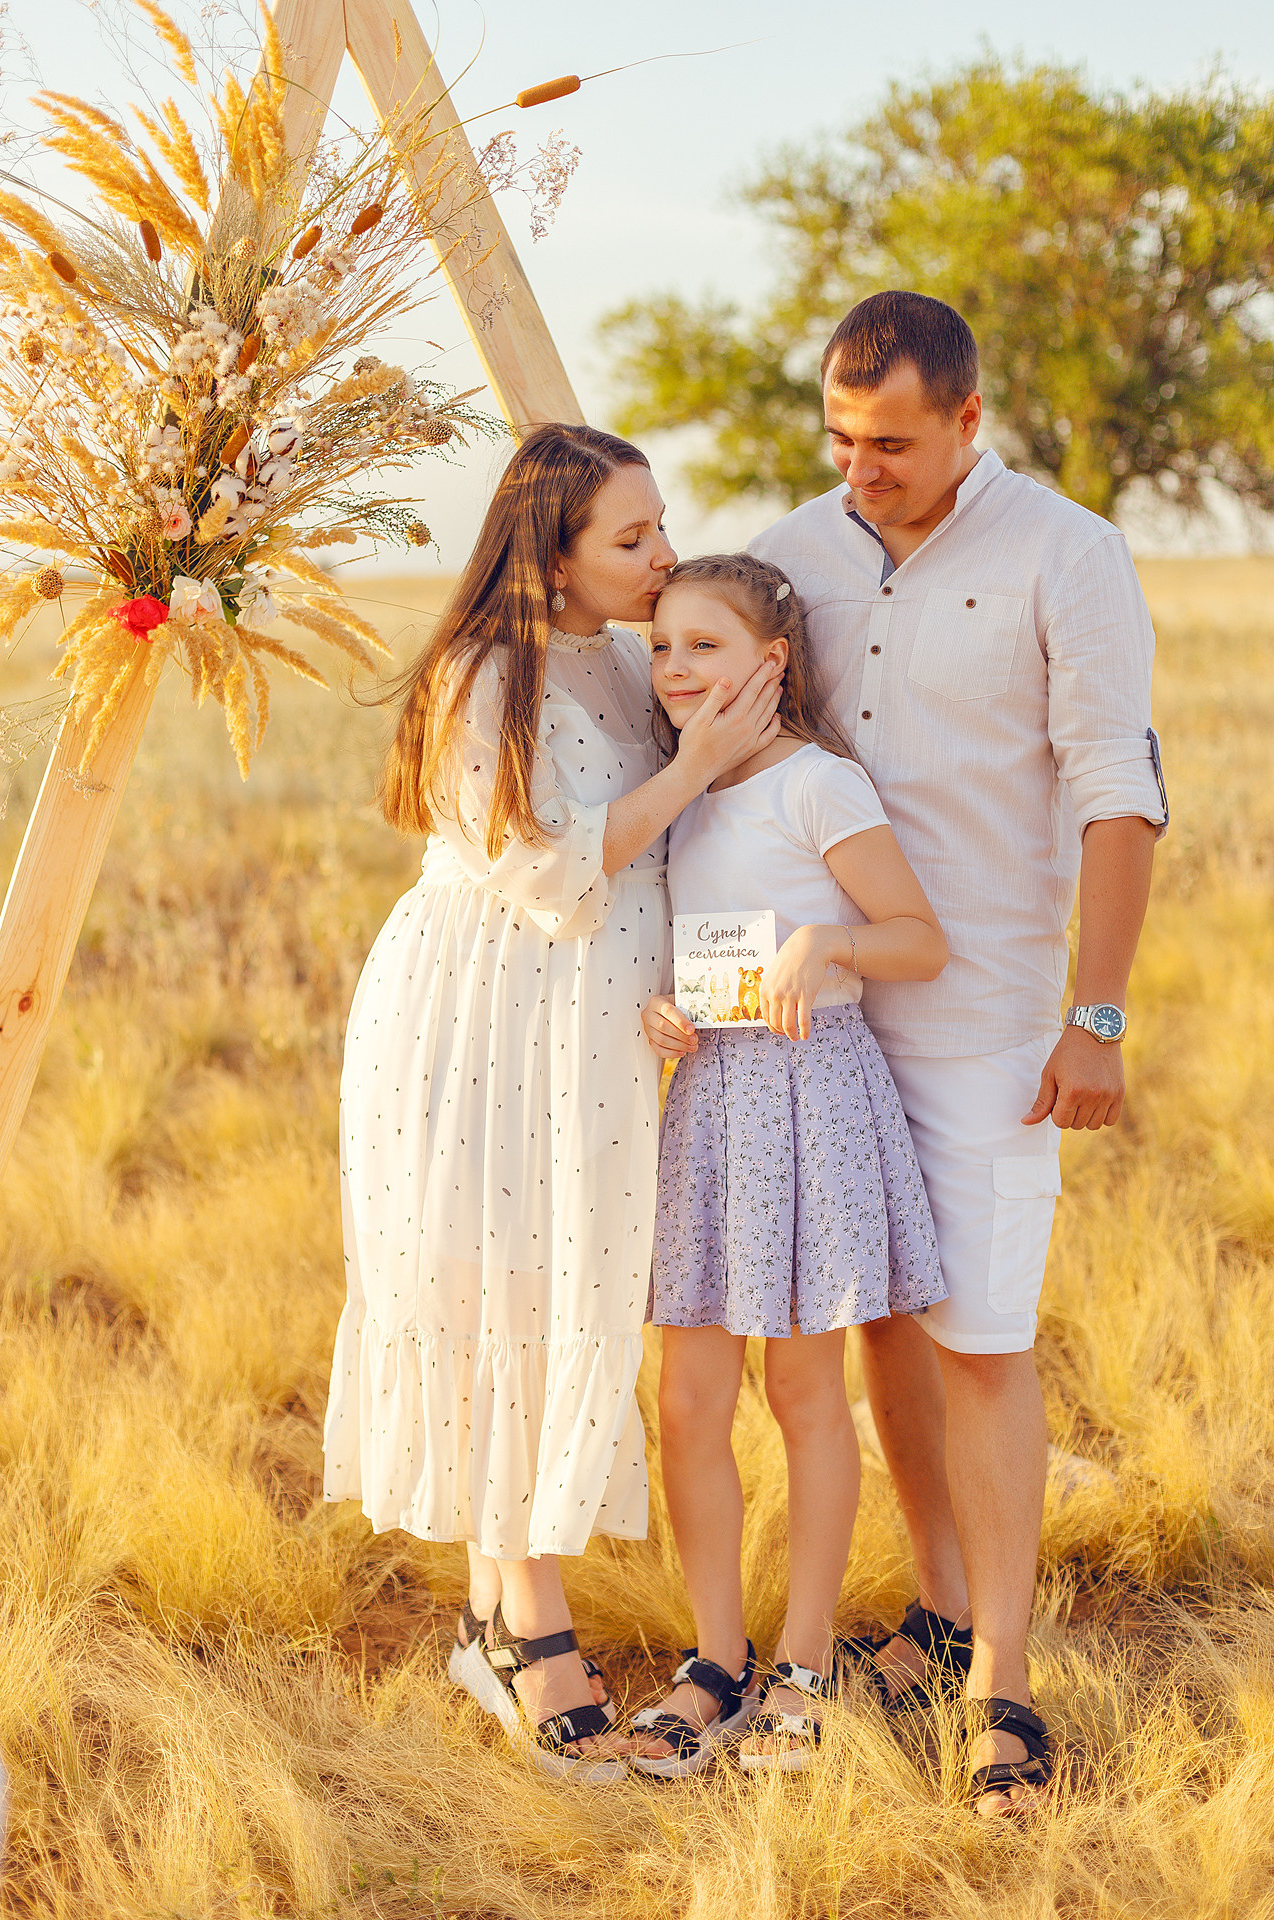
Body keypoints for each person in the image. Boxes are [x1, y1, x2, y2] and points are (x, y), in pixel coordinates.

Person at [749, 290, 1167, 1815]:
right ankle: (932, 1617)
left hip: (994, 1017)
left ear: (971, 421)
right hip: (829, 1019)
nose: (865, 468)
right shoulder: (793, 551)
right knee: (882, 1326)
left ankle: (1005, 1688)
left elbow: (1117, 789)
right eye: (845, 440)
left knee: (983, 1340)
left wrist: (1099, 1013)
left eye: (897, 445)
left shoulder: (1072, 553)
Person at [322, 424, 782, 1780]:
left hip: (593, 1039)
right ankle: (530, 1623)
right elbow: (545, 875)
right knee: (505, 1293)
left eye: (660, 526)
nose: (663, 552)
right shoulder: (481, 675)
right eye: (632, 537)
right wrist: (693, 766)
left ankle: (493, 1605)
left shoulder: (633, 655)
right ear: (555, 550)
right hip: (483, 1025)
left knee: (563, 1288)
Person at [630, 553, 950, 1778]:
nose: (673, 670)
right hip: (709, 1101)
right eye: (661, 647)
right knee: (686, 1403)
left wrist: (832, 944)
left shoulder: (818, 784)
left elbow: (918, 940)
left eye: (702, 647)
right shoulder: (681, 789)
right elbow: (687, 946)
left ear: (769, 661)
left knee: (803, 1397)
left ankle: (804, 1665)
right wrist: (665, 1012)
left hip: (808, 1105)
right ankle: (715, 1663)